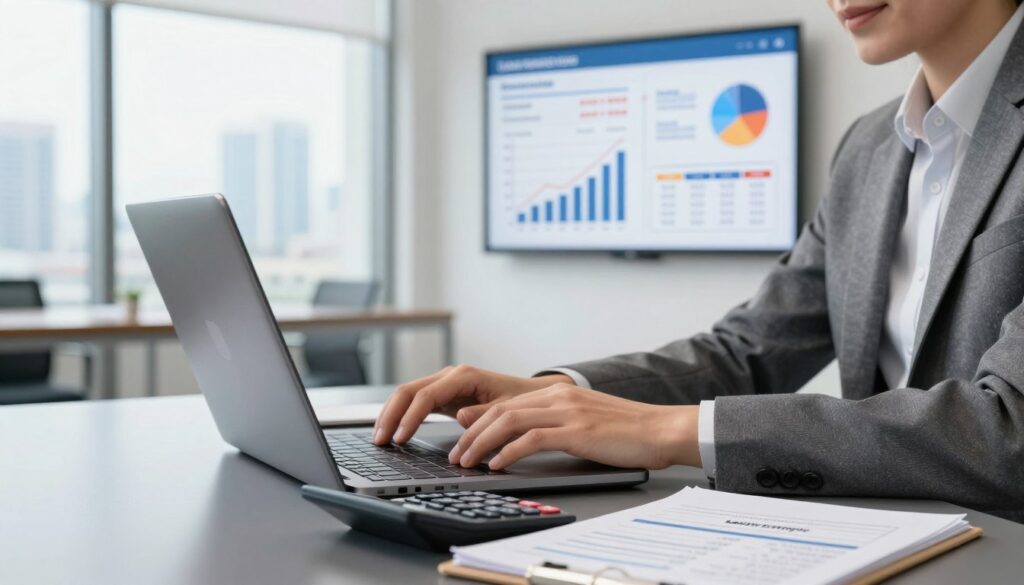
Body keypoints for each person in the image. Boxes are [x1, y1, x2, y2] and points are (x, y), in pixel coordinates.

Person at [376, 0, 1024, 521]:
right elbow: (746, 351)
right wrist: (559, 393)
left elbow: (1005, 431)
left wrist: (667, 430)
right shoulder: (868, 149)